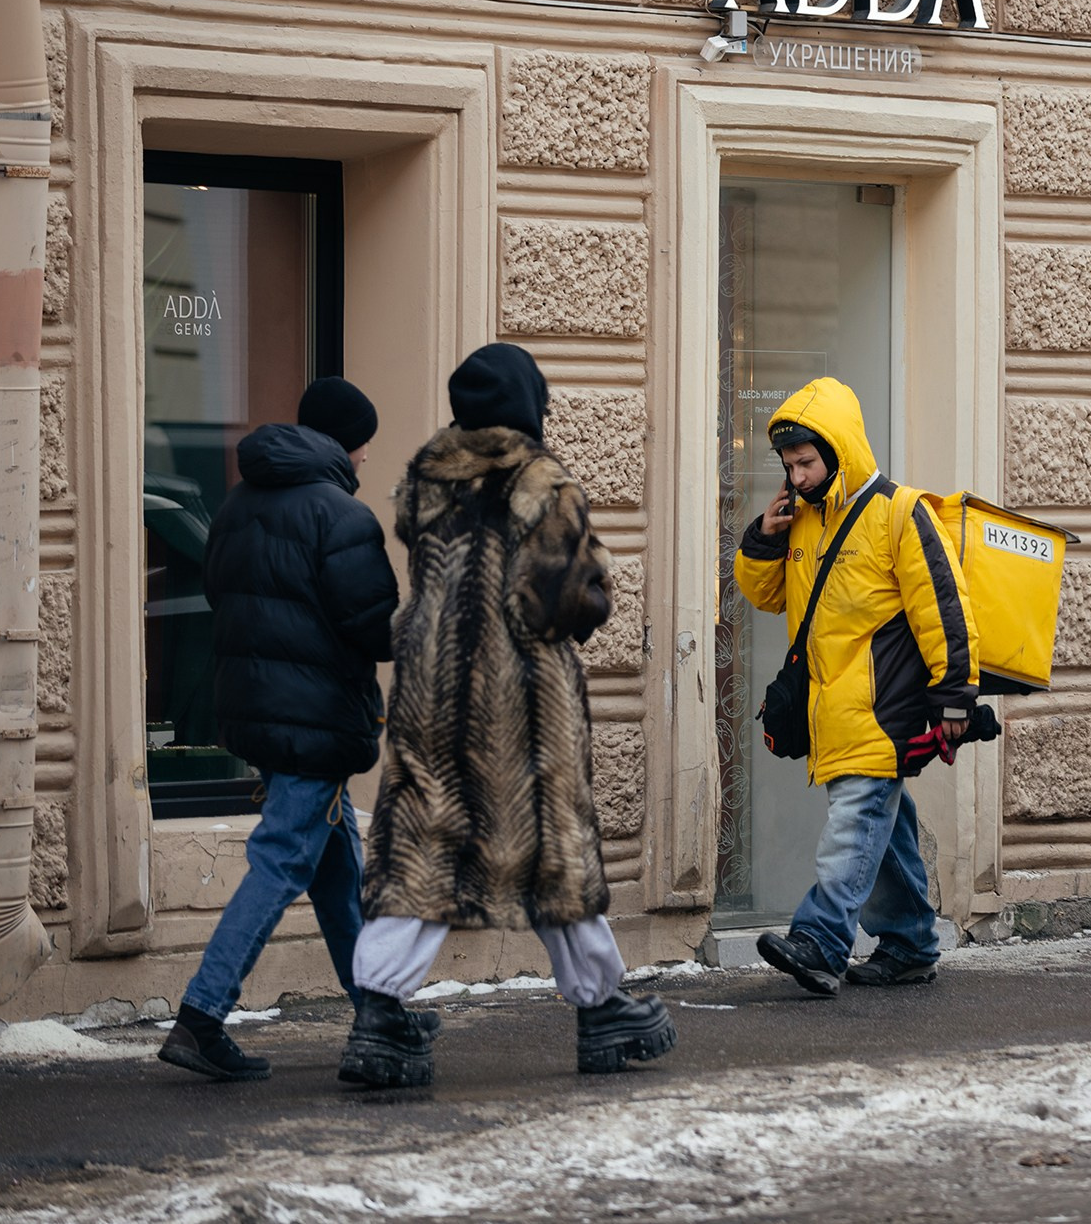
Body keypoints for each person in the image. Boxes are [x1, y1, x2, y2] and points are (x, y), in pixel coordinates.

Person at [338, 343, 676, 1088]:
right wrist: (595, 586)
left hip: (430, 693)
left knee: (425, 848)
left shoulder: (428, 482)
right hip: (517, 696)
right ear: (528, 404)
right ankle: (602, 1006)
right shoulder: (541, 481)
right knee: (553, 845)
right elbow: (562, 597)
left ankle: (380, 1013)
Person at [159, 377, 402, 1082]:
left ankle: (377, 1010)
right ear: (344, 444)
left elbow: (216, 592)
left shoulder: (238, 503)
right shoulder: (341, 515)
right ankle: (201, 1015)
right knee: (280, 863)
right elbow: (374, 627)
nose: (365, 461)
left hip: (260, 715)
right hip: (317, 720)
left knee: (336, 872)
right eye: (363, 446)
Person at [735, 377, 982, 996]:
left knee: (854, 823)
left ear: (839, 451)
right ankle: (911, 943)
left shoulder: (899, 512)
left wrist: (955, 695)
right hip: (831, 711)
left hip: (883, 709)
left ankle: (820, 940)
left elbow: (942, 606)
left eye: (807, 462)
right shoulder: (802, 521)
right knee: (883, 826)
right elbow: (766, 595)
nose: (797, 476)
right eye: (789, 465)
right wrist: (765, 537)